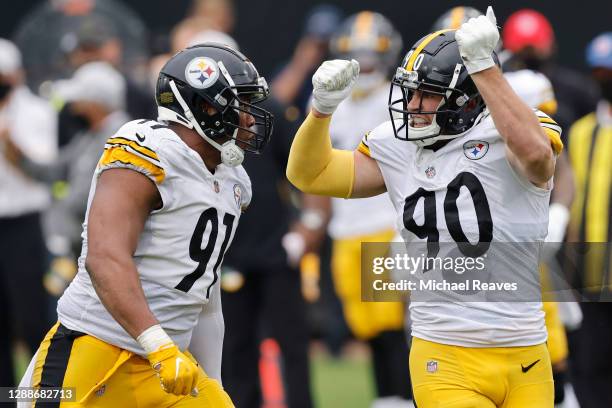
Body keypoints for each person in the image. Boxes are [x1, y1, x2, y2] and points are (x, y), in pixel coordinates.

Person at [287, 8, 562, 407]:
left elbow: (537, 159)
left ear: (468, 99)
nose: (412, 104)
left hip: (527, 351)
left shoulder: (515, 131)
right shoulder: (396, 146)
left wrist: (483, 68)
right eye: (411, 91)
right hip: (445, 352)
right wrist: (320, 111)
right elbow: (310, 175)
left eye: (427, 93)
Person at [18, 43, 274, 407]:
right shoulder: (149, 147)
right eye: (241, 104)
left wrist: (212, 382)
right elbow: (104, 257)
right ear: (205, 105)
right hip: (96, 351)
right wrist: (159, 346)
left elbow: (204, 295)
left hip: (167, 364)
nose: (249, 118)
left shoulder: (234, 181)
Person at [310, 11, 413, 407]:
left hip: (387, 224)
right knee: (364, 324)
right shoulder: (329, 101)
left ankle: (402, 396)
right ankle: (386, 397)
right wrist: (316, 217)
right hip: (346, 228)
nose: (366, 64)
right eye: (359, 56)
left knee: (394, 324)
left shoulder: (399, 98)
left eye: (373, 56)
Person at [3, 61, 130, 296]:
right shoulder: (89, 136)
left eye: (80, 99)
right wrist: (15, 152)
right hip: (76, 251)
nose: (73, 106)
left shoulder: (122, 138)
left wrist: (61, 229)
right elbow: (53, 171)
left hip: (96, 256)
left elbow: (91, 200)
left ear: (95, 102)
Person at [0, 38, 57, 387]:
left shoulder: (36, 111)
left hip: (24, 224)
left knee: (32, 315)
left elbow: (42, 168)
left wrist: (11, 142)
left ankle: (45, 392)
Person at [563, 32, 612, 408]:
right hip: (589, 273)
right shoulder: (581, 132)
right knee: (589, 365)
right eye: (600, 70)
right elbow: (572, 197)